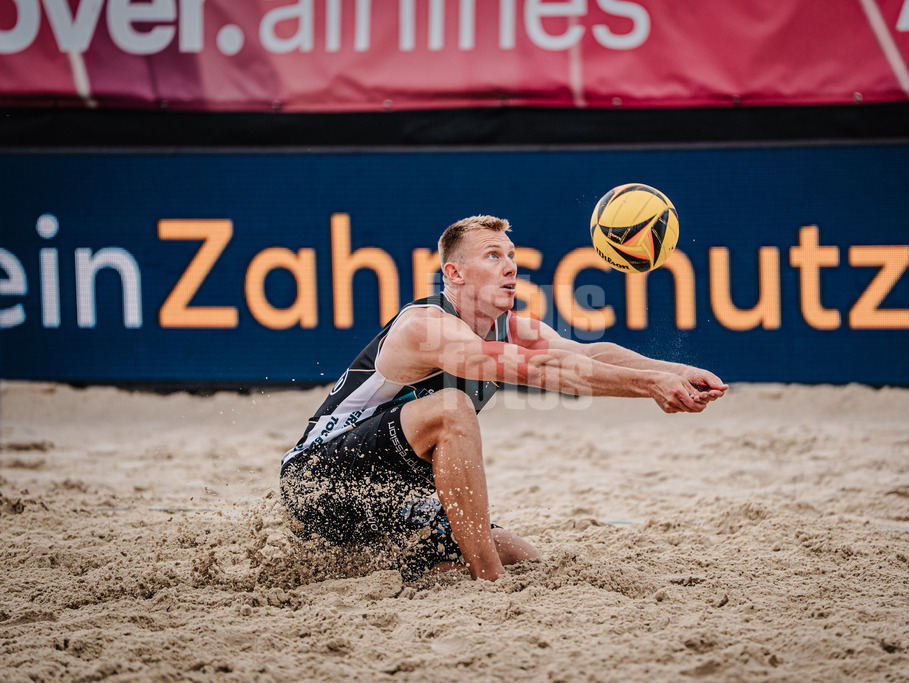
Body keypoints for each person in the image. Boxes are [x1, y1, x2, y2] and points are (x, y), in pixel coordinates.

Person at [280, 215, 728, 582]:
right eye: (493, 256)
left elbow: (587, 353)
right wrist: (648, 386)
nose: (511, 266)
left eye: (511, 256)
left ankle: (406, 571)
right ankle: (491, 585)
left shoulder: (509, 327)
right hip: (320, 483)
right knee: (451, 410)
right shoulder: (424, 327)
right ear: (453, 273)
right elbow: (540, 370)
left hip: (390, 499)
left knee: (521, 553)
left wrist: (674, 371)